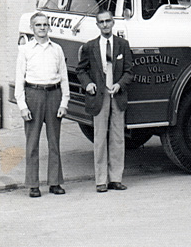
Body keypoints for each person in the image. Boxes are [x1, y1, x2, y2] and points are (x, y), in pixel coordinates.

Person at [77, 10, 133, 192]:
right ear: (97, 25)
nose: (105, 25)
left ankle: (116, 178)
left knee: (117, 139)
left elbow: (129, 71)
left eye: (108, 21)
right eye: (101, 22)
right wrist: (88, 84)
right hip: (99, 98)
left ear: (113, 23)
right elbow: (81, 70)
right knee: (100, 138)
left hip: (116, 95)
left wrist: (119, 84)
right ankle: (101, 180)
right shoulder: (90, 46)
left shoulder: (122, 45)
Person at [15, 12, 70, 198]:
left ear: (49, 27)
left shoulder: (57, 49)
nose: (42, 28)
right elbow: (19, 79)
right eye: (38, 25)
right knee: (32, 143)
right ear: (32, 28)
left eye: (45, 24)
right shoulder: (25, 50)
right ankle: (33, 184)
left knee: (54, 141)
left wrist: (64, 102)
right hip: (33, 95)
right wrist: (22, 105)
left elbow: (64, 77)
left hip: (54, 95)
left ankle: (55, 183)